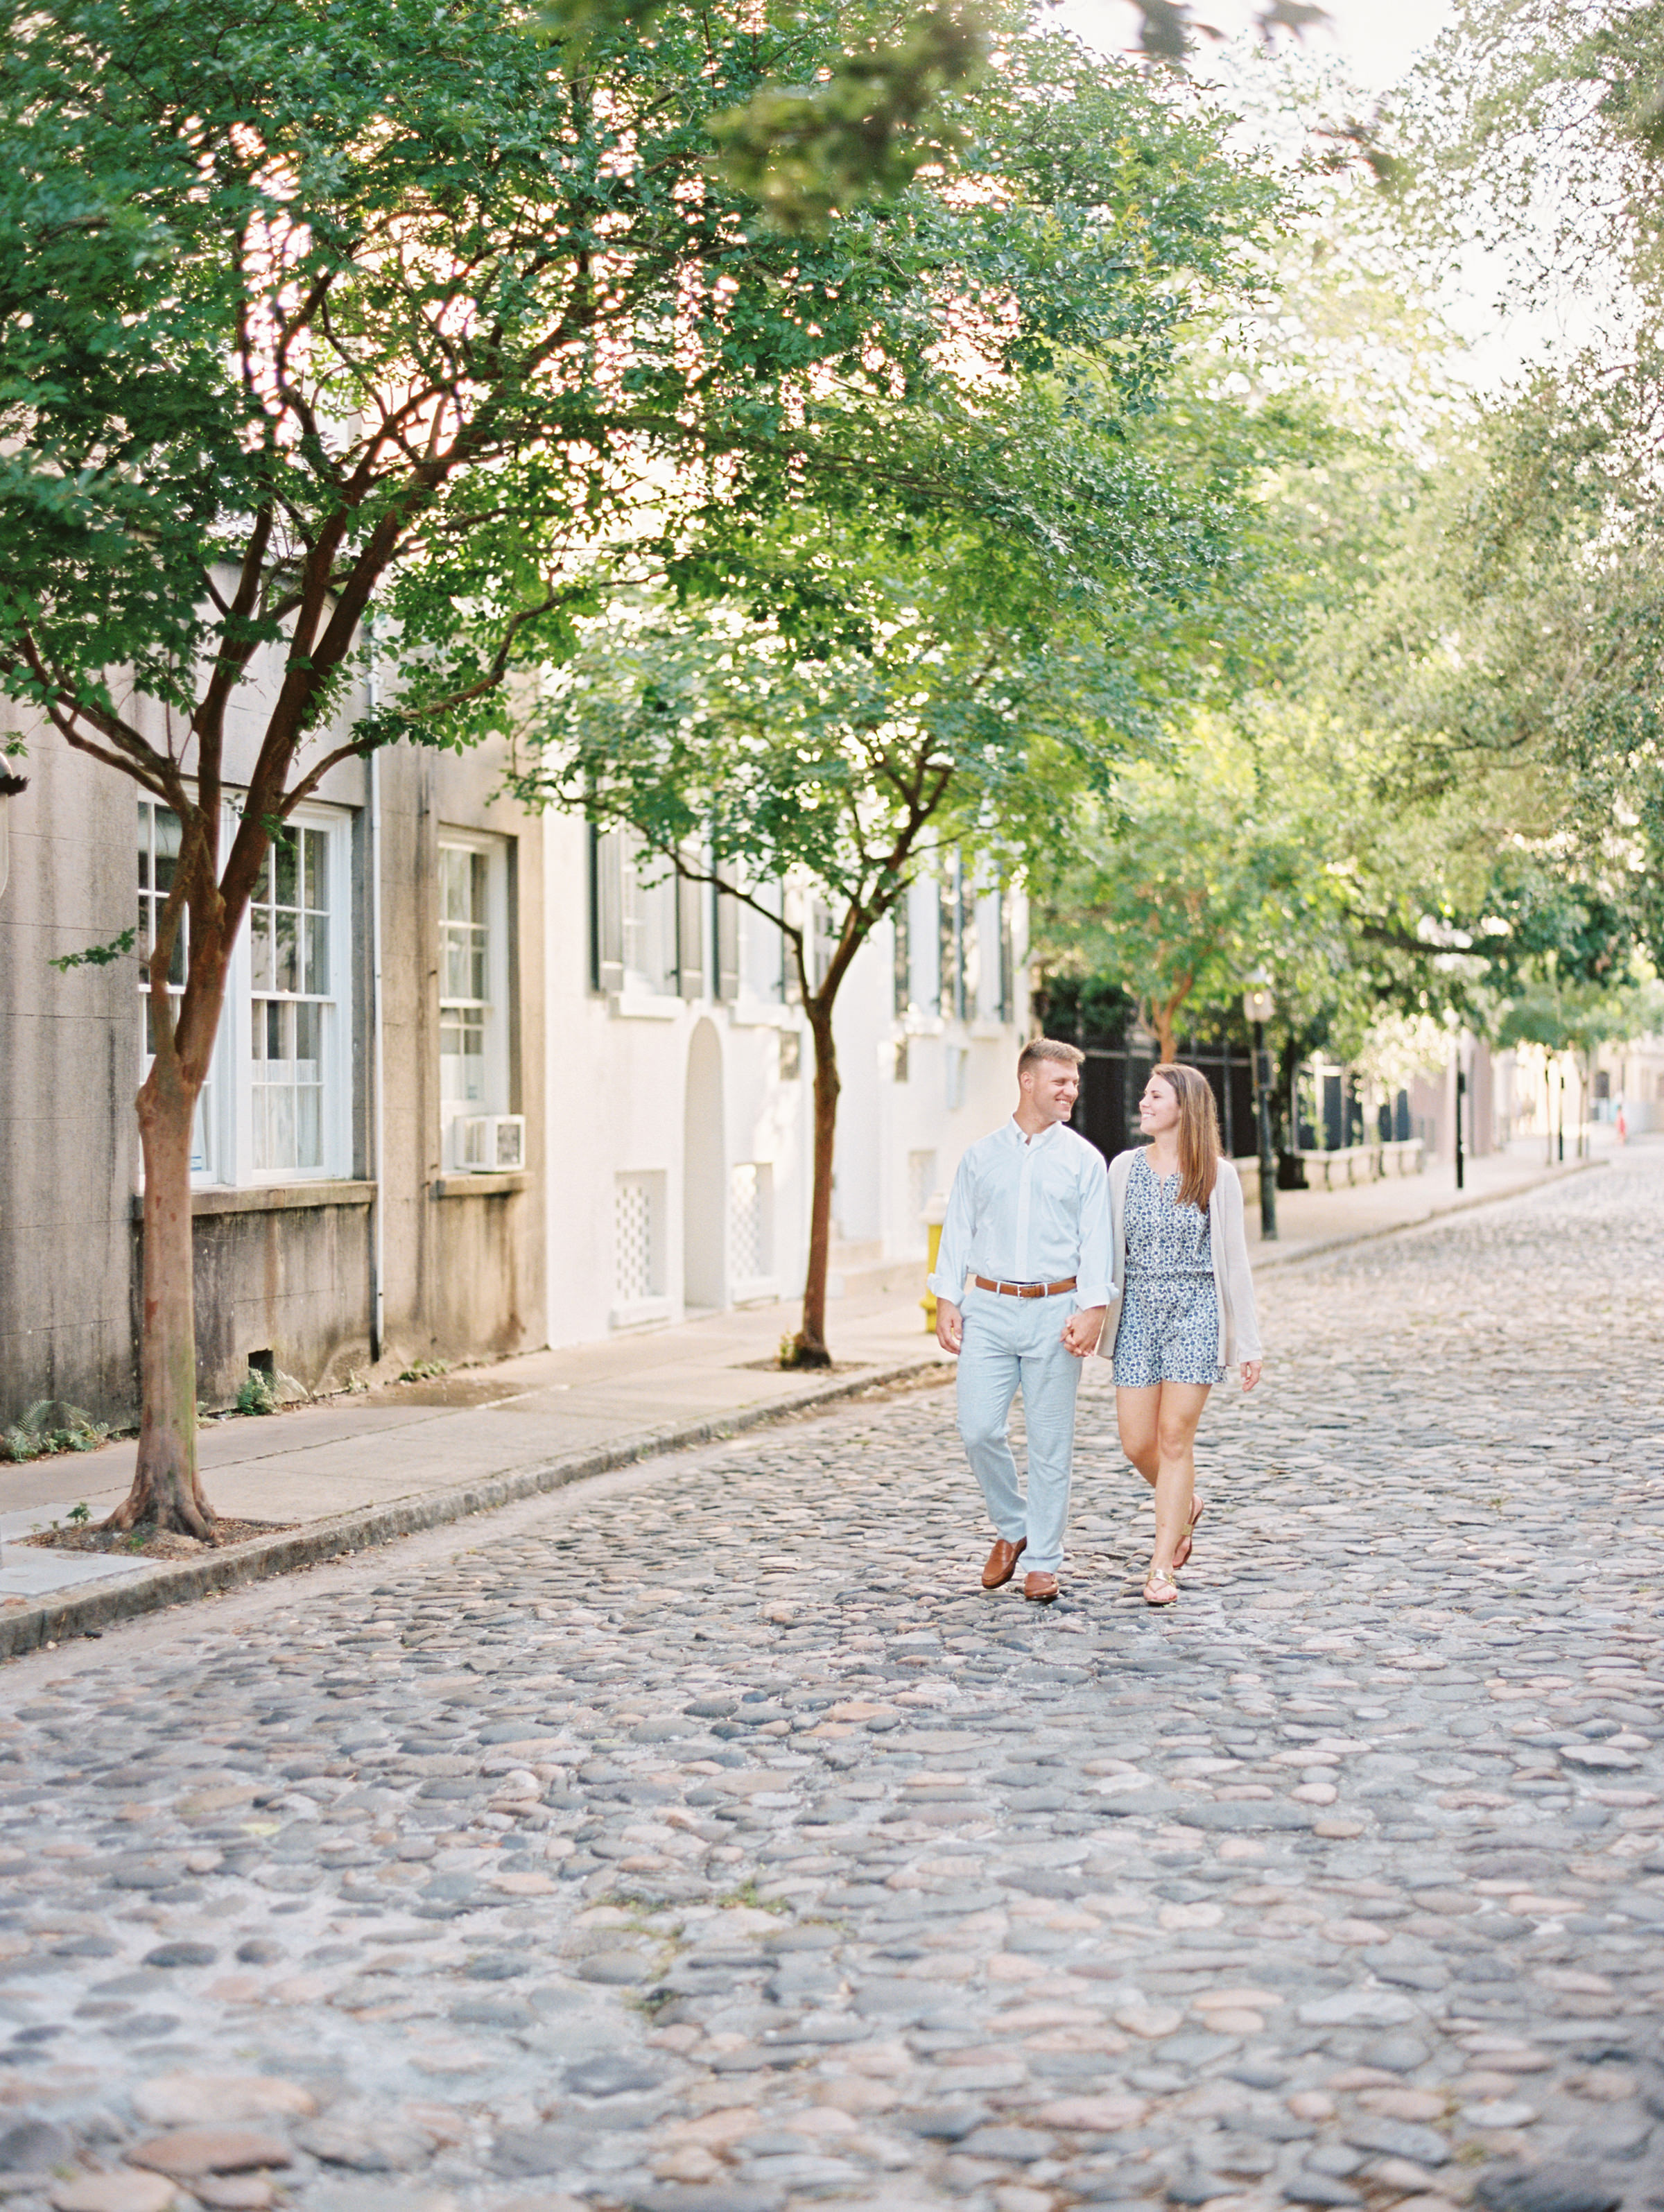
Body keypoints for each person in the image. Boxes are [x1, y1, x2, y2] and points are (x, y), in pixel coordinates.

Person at [930, 1038, 1113, 1603]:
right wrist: (945, 1297)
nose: (1071, 1092)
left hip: (1056, 1312)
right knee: (978, 1429)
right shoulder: (981, 1156)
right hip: (987, 1309)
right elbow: (958, 1228)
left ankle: (1044, 1560)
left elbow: (1097, 1241)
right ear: (1027, 1081)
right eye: (1060, 1081)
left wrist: (1093, 1309)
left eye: (1075, 1084)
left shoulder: (1084, 1159)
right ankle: (1015, 1526)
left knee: (1051, 1442)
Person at [1098, 1063, 1262, 1606]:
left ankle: (1161, 1566)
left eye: (1155, 1096)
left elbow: (1235, 1263)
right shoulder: (1123, 1169)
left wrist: (1249, 1343)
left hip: (1196, 1311)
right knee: (1136, 1442)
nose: (1143, 1103)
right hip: (1138, 1312)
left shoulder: (1216, 1175)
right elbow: (1104, 1250)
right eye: (1144, 1094)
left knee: (1174, 1439)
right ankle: (1185, 1502)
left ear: (1184, 1109)